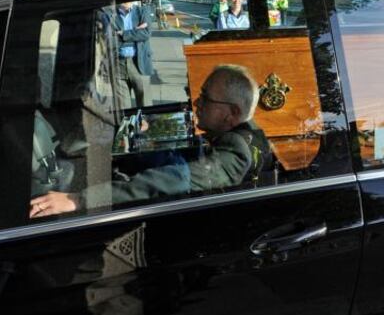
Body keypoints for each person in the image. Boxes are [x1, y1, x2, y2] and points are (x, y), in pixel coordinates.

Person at [30, 65, 271, 218]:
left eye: (205, 98)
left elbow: (174, 181)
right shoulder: (238, 134)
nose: (197, 103)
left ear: (233, 113)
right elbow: (194, 161)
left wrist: (78, 200)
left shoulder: (237, 154)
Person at [116, 1, 154, 109]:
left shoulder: (142, 11)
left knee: (145, 108)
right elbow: (109, 37)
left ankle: (144, 124)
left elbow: (146, 33)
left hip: (139, 62)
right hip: (119, 63)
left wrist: (123, 34)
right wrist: (135, 31)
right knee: (123, 110)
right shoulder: (111, 14)